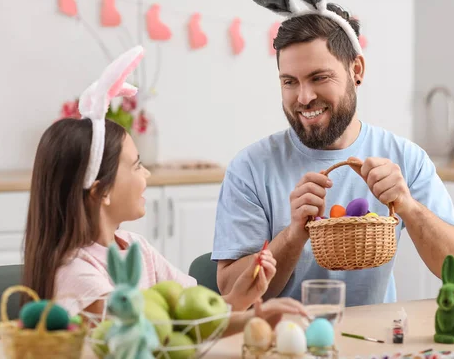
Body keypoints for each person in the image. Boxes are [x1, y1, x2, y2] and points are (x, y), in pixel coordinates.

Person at [213, 0, 454, 306]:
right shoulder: (250, 168)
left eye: (319, 78)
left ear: (357, 70)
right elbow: (232, 294)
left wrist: (408, 207)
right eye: (290, 82)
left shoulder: (403, 159)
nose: (304, 97)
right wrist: (293, 235)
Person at [22, 46, 307, 332]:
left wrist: (238, 298)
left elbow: (188, 319)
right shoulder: (75, 272)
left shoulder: (136, 248)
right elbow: (150, 336)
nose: (145, 173)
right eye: (136, 165)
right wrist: (252, 318)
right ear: (100, 192)